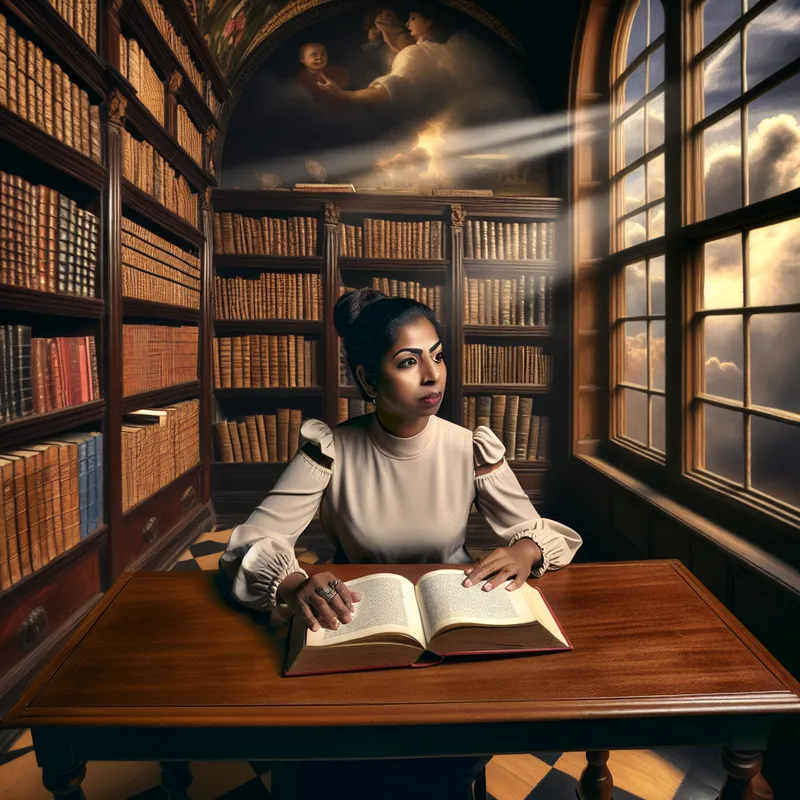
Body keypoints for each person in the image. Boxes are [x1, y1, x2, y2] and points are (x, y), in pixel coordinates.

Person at [219, 287, 583, 799]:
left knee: (447, 760)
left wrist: (525, 549)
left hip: (454, 627)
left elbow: (540, 531)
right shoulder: (330, 450)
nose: (432, 375)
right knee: (340, 761)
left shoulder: (469, 448)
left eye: (437, 356)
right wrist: (294, 581)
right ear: (369, 379)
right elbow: (247, 543)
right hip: (355, 620)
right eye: (409, 362)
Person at [294, 42, 351, 111]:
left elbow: (347, 85)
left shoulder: (336, 70)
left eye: (323, 54)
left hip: (341, 109)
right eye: (314, 55)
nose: (319, 57)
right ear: (303, 60)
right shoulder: (301, 77)